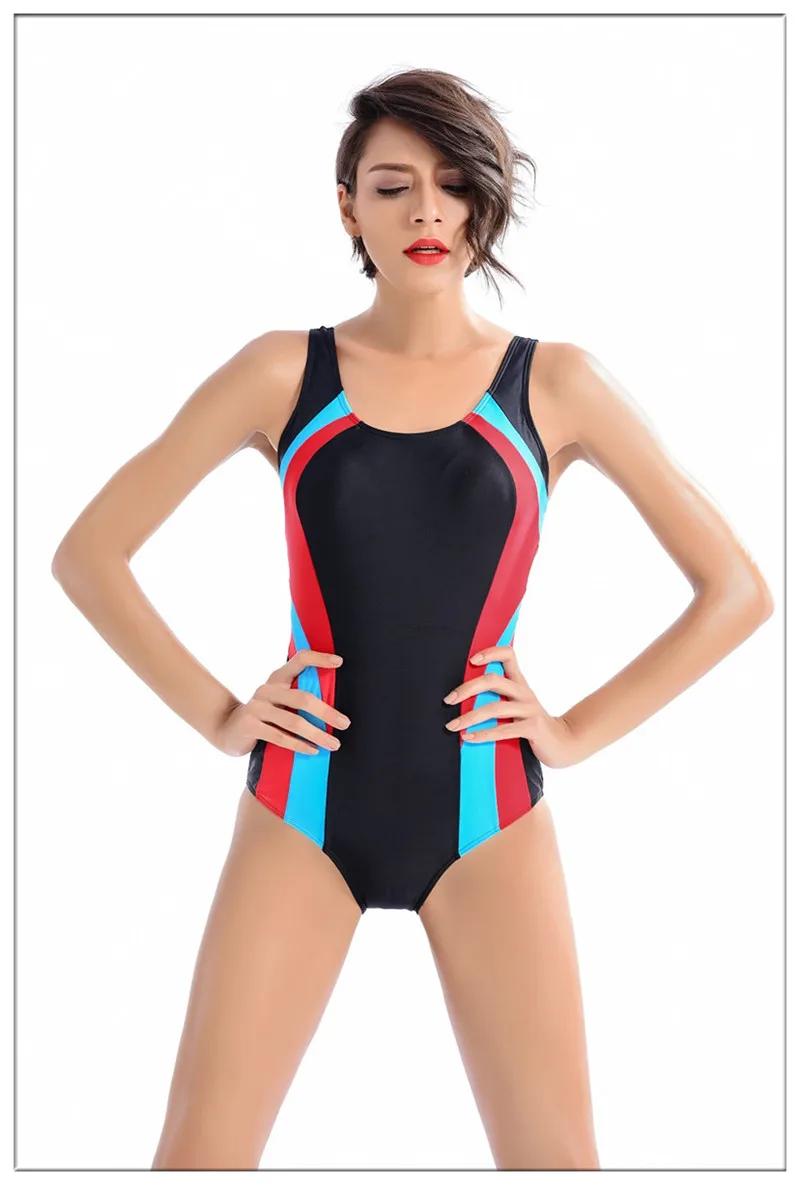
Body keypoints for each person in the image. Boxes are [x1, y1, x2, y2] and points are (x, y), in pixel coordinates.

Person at [51, 67, 774, 1171]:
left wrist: (571, 732)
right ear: (348, 208)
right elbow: (89, 554)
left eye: (454, 184)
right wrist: (221, 715)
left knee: (556, 1163)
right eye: (393, 187)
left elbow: (735, 590)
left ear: (486, 202)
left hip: (489, 816)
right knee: (199, 1157)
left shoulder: (556, 384)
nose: (426, 211)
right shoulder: (282, 371)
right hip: (301, 810)